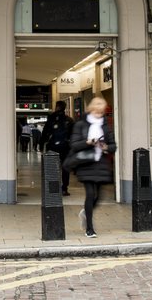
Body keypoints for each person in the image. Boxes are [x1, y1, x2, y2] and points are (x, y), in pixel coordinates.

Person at [68, 96, 116, 238]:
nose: (99, 114)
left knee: (99, 196)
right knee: (90, 194)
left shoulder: (105, 126)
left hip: (101, 163)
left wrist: (106, 146)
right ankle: (90, 228)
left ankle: (85, 213)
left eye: (101, 112)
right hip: (86, 163)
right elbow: (74, 144)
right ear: (91, 109)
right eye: (97, 111)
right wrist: (88, 142)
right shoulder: (81, 125)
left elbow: (113, 145)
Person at [41, 100, 74, 195]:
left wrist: (41, 143)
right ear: (65, 108)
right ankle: (64, 188)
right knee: (65, 169)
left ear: (57, 107)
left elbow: (45, 132)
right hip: (65, 148)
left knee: (52, 168)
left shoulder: (51, 119)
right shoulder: (69, 120)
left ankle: (53, 189)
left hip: (52, 147)